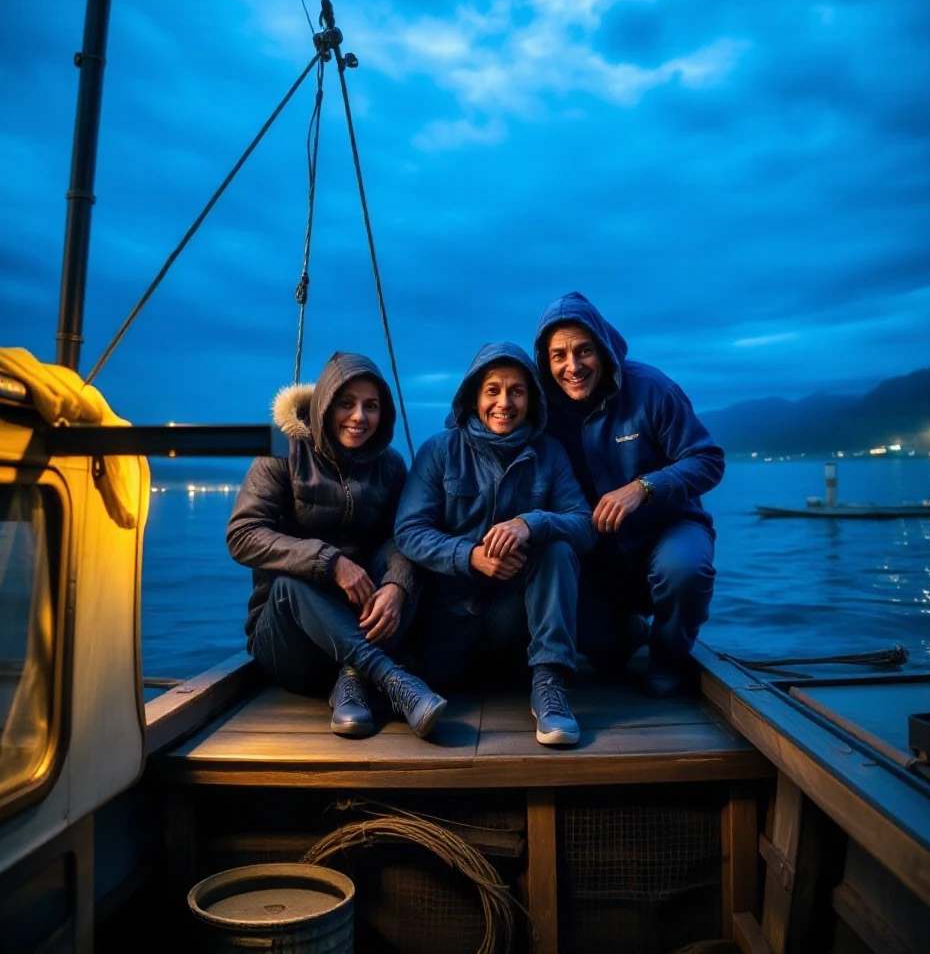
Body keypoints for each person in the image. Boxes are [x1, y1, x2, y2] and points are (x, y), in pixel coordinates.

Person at [226, 352, 446, 739]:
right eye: (347, 403)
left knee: (406, 559)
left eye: (371, 406)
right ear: (325, 404)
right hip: (290, 644)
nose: (359, 416)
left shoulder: (390, 465)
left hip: (355, 630)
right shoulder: (283, 448)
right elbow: (242, 534)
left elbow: (405, 535)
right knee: (291, 583)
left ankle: (352, 677)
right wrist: (330, 562)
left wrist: (397, 586)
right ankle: (391, 680)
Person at [394, 342, 597, 746]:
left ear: (531, 399)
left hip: (515, 630)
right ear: (474, 396)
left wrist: (530, 523)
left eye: (517, 391)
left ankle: (550, 686)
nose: (504, 402)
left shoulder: (549, 453)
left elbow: (584, 526)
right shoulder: (439, 451)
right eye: (493, 391)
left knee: (557, 547)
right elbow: (408, 531)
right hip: (448, 628)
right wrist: (470, 557)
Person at [533, 292, 725, 697]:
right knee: (604, 653)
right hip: (598, 552)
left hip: (669, 527)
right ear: (546, 362)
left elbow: (708, 459)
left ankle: (668, 658)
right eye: (559, 356)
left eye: (583, 350)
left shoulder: (651, 389)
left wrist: (643, 487)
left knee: (685, 570)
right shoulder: (543, 410)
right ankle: (629, 631)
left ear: (602, 348)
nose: (573, 366)